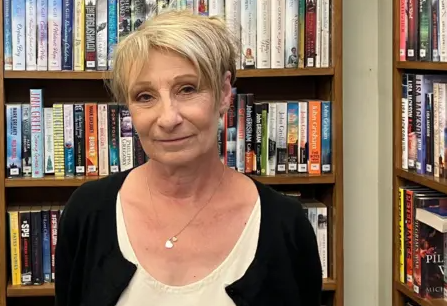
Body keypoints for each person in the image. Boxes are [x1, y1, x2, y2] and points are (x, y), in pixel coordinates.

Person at [55, 10, 323, 306]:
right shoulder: (86, 213)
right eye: (145, 96)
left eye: (187, 89)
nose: (168, 118)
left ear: (223, 93)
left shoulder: (287, 225)